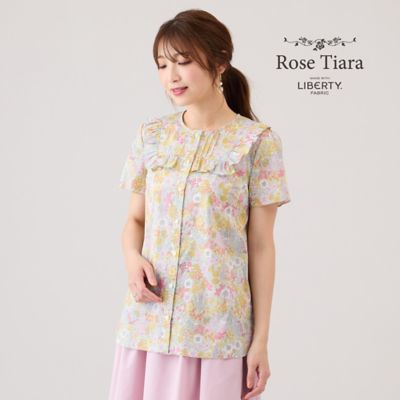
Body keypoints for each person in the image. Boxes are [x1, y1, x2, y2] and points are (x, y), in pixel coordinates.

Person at [108, 8, 291, 400]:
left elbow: (261, 246)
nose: (171, 76)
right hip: (148, 324)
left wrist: (260, 340)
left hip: (217, 332)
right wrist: (131, 257)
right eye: (162, 65)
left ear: (220, 62)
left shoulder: (258, 143)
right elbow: (135, 220)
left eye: (184, 62)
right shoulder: (151, 136)